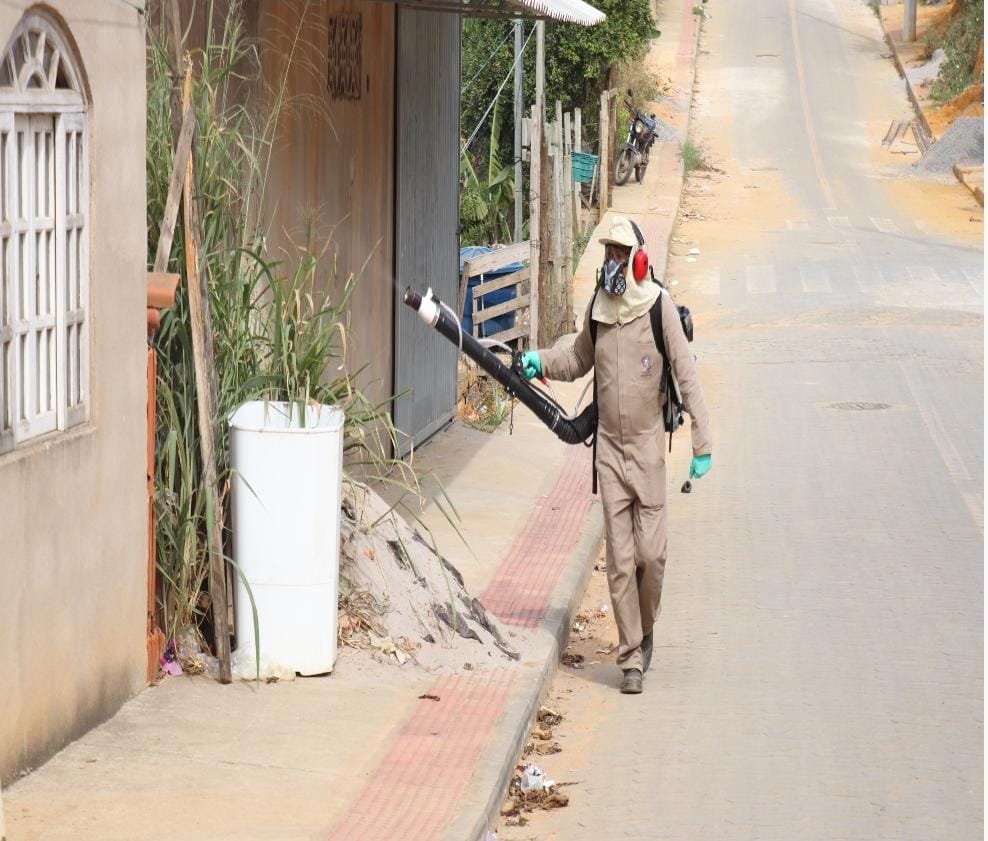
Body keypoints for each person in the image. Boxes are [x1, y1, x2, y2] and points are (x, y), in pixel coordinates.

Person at [520, 216, 712, 695]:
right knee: (621, 561)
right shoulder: (599, 309)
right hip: (608, 449)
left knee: (652, 555)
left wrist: (702, 444)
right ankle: (630, 658)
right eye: (607, 252)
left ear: (638, 259)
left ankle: (646, 629)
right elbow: (577, 358)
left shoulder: (658, 307)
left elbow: (686, 374)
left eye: (620, 253)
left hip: (647, 449)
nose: (612, 262)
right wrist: (541, 359)